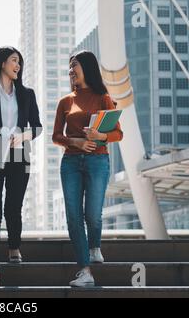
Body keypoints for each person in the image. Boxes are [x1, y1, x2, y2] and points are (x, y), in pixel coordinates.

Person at [52, 50, 123, 287]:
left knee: (92, 215)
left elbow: (118, 134)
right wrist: (76, 142)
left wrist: (99, 135)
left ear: (87, 68)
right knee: (74, 217)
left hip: (97, 161)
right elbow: (56, 136)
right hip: (71, 162)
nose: (71, 71)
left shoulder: (103, 97)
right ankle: (84, 271)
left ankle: (94, 247)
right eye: (69, 67)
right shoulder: (65, 101)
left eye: (75, 66)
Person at [0, 46, 42, 287]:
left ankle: (14, 246)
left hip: (19, 155)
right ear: (2, 63)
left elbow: (37, 127)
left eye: (20, 62)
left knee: (13, 207)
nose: (18, 66)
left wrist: (21, 137)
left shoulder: (27, 94)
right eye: (14, 60)